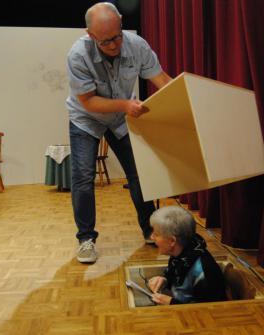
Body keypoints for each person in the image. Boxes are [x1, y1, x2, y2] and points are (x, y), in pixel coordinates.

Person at [66, 2, 172, 263]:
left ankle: (150, 230)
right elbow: (88, 102)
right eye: (106, 42)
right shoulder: (77, 55)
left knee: (139, 173)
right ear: (91, 35)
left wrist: (182, 99)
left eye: (117, 36)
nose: (114, 45)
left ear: (122, 23)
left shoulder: (137, 45)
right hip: (86, 119)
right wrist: (126, 105)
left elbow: (162, 80)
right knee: (83, 177)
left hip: (122, 118)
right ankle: (86, 239)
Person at [147, 206, 227, 305]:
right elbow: (174, 275)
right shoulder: (181, 253)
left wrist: (171, 303)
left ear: (172, 241)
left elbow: (208, 310)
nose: (152, 237)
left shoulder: (204, 270)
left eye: (156, 234)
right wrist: (164, 279)